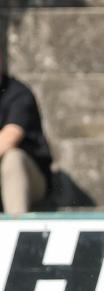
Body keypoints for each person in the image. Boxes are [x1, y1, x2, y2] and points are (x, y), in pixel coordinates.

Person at [0, 71, 52, 214]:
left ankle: (15, 230)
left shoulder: (18, 93)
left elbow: (9, 138)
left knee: (12, 158)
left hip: (30, 179)